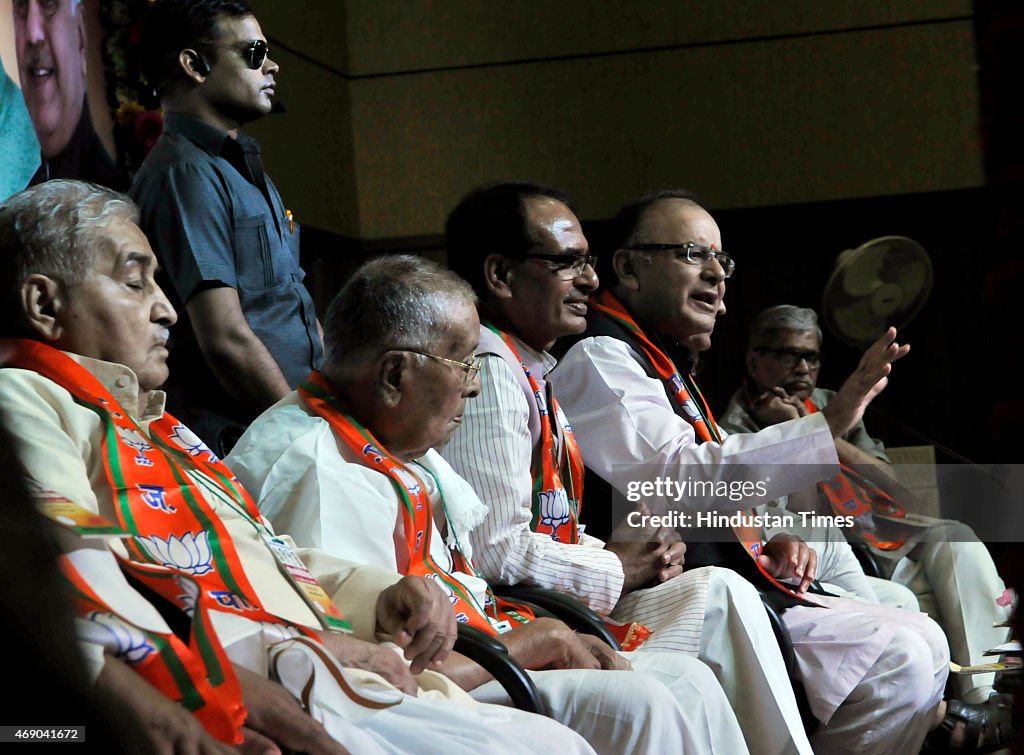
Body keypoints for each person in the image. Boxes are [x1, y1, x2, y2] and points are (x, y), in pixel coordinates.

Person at [0, 179, 595, 755]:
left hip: (324, 665)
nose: (167, 311)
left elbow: (256, 555)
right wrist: (207, 681)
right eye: (135, 282)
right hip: (246, 682)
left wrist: (378, 592)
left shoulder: (159, 424)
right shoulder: (21, 398)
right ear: (44, 304)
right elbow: (66, 568)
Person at [228, 253, 752, 755]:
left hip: (482, 642)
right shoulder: (314, 466)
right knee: (640, 705)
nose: (474, 387)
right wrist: (529, 643)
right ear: (394, 375)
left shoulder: (390, 435)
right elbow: (372, 671)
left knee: (689, 680)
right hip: (433, 692)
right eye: (462, 364)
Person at [548, 189, 979, 755]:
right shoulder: (599, 357)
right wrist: (828, 426)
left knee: (919, 638)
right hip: (656, 593)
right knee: (899, 656)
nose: (716, 275)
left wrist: (772, 533)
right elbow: (677, 479)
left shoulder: (660, 360)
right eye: (691, 253)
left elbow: (715, 482)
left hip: (736, 572)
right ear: (628, 266)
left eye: (722, 261)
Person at [438, 182, 813, 754]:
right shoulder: (491, 369)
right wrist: (614, 564)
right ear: (500, 275)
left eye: (587, 262)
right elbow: (493, 551)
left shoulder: (531, 364)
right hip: (516, 619)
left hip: (553, 600)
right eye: (568, 263)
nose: (589, 280)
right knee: (719, 600)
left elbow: (549, 520)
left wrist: (629, 551)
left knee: (719, 606)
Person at [719, 304, 1010, 703]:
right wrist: (787, 434)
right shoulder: (735, 428)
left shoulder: (831, 401)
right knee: (932, 599)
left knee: (956, 537)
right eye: (789, 355)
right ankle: (966, 703)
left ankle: (982, 695)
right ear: (756, 360)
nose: (803, 368)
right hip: (835, 552)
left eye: (812, 357)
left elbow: (898, 490)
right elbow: (799, 521)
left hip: (882, 530)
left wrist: (825, 432)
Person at [130, 0, 322, 449]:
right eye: (254, 53)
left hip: (295, 421)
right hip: (247, 440)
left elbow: (293, 305)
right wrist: (306, 435)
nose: (271, 65)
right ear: (195, 65)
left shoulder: (239, 168)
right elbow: (225, 338)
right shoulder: (184, 175)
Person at [13, 0, 121, 187]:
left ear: (80, 36)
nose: (33, 35)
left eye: (49, 4)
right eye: (21, 7)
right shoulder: (23, 189)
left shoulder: (113, 196)